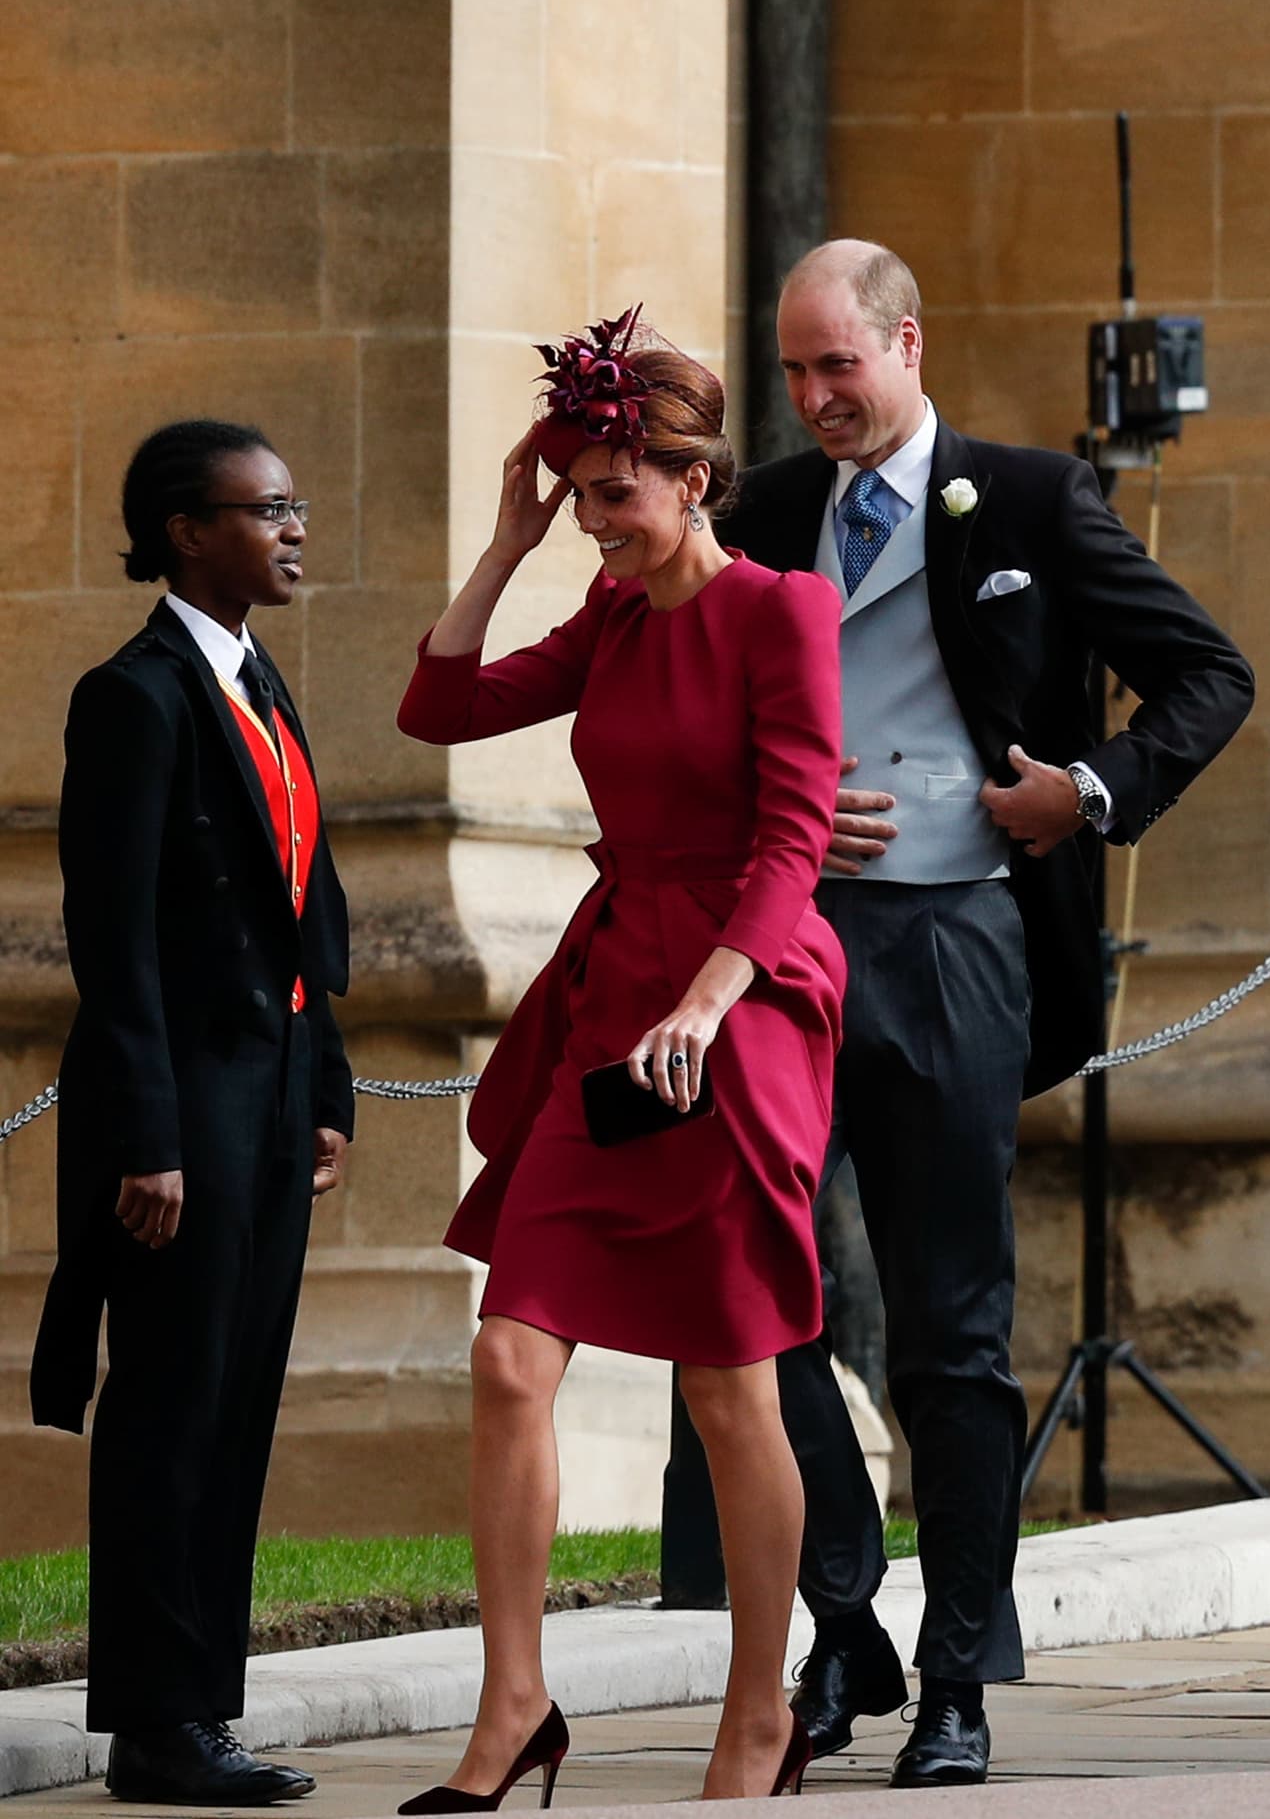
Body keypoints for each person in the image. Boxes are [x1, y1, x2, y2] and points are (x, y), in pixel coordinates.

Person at [665, 239, 1255, 1789]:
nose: (814, 396)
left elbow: (1210, 673)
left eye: (837, 366)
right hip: (783, 945)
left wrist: (1090, 791)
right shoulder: (763, 513)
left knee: (954, 1332)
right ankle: (840, 1619)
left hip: (958, 941)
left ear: (907, 344)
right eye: (793, 372)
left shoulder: (1038, 500)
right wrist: (769, 813)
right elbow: (682, 703)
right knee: (742, 1302)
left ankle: (956, 1681)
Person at [395, 308, 844, 1807]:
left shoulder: (783, 613)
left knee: (727, 1383)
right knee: (509, 1357)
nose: (594, 521)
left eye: (613, 494)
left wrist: (708, 1005)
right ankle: (513, 1707)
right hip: (614, 999)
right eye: (579, 495)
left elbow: (794, 841)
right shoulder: (612, 614)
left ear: (692, 482)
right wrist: (506, 545)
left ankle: (759, 1717)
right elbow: (439, 708)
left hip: (742, 1000)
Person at [30, 421, 355, 1806]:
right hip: (183, 1110)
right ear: (185, 531)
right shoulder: (135, 695)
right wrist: (148, 1139)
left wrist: (326, 1090)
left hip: (270, 1096)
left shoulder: (256, 677)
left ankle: (203, 1710)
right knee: (170, 1406)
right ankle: (155, 1725)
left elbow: (299, 905)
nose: (293, 529)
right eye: (265, 509)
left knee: (236, 1402)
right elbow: (112, 942)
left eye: (293, 505)